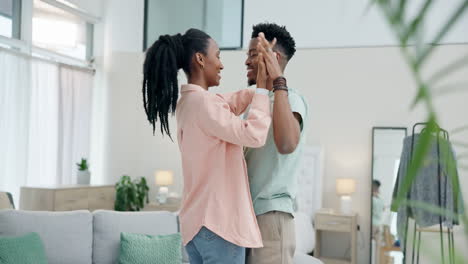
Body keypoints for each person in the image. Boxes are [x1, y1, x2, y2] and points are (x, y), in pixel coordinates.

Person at [142, 28, 272, 264]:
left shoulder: (189, 102)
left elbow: (226, 103)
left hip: (196, 227)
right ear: (200, 59)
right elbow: (254, 135)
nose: (221, 65)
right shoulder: (203, 104)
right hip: (218, 226)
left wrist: (259, 89)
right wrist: (262, 90)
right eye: (218, 55)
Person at [244, 23, 309, 264]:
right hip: (247, 217)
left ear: (274, 57)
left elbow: (287, 143)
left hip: (271, 217)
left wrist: (278, 80)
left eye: (253, 55)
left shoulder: (291, 98)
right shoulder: (253, 101)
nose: (247, 62)